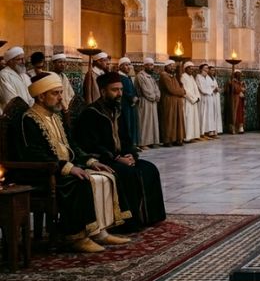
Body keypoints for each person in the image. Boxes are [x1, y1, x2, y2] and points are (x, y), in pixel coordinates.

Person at [15, 73, 131, 252]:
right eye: (55, 93)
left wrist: (91, 161)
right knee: (81, 182)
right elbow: (33, 154)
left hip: (62, 168)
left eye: (61, 92)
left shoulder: (56, 116)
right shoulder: (29, 119)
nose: (61, 97)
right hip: (43, 173)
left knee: (105, 176)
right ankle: (77, 237)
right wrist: (68, 168)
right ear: (41, 96)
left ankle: (99, 232)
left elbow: (72, 145)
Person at [74, 71, 166, 230]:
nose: (120, 94)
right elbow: (91, 145)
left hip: (120, 157)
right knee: (127, 174)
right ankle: (127, 223)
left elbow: (126, 138)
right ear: (103, 92)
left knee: (149, 168)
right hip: (102, 159)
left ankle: (149, 217)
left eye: (121, 90)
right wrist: (117, 158)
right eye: (115, 90)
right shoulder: (91, 113)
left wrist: (131, 154)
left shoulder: (118, 110)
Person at [158, 60, 185, 146]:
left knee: (176, 121)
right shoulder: (164, 75)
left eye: (173, 66)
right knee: (169, 121)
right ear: (166, 67)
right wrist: (182, 92)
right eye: (170, 66)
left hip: (176, 102)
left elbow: (178, 86)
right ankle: (167, 140)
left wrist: (181, 90)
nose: (172, 67)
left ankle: (176, 138)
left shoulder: (173, 76)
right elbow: (171, 89)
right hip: (168, 101)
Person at [135, 58, 160, 148]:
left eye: (152, 65)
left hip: (153, 102)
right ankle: (143, 143)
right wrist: (153, 97)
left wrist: (157, 96)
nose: (150, 67)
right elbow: (145, 90)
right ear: (144, 66)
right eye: (148, 65)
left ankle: (152, 141)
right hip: (145, 101)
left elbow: (156, 88)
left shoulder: (151, 76)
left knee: (153, 122)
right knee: (145, 122)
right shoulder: (140, 76)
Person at [117, 57, 140, 149]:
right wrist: (131, 98)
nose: (128, 67)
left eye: (129, 65)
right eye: (126, 65)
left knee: (132, 124)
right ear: (120, 66)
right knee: (126, 124)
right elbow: (123, 91)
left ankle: (133, 144)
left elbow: (133, 89)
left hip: (131, 105)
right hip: (124, 104)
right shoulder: (119, 77)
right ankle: (127, 145)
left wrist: (136, 97)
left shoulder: (128, 77)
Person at [181, 62, 201, 141]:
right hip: (188, 101)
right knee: (188, 118)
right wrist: (193, 99)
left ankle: (193, 136)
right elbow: (185, 90)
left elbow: (196, 88)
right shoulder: (183, 77)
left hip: (194, 101)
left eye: (192, 69)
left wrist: (198, 97)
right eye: (190, 68)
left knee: (193, 119)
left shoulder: (192, 77)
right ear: (186, 69)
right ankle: (187, 137)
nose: (192, 70)